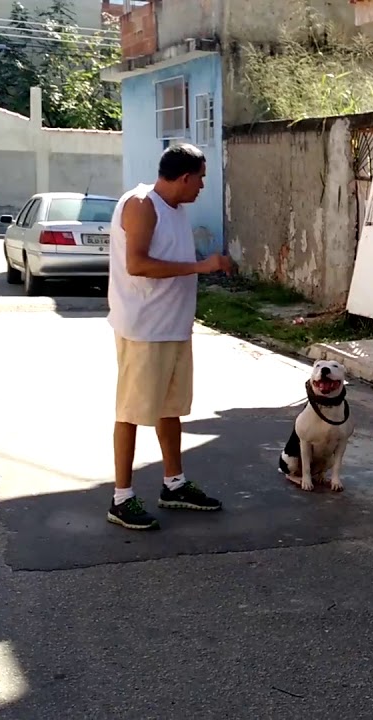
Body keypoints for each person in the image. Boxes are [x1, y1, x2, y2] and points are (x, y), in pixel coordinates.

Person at [106, 143, 234, 530]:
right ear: (184, 177)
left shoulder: (177, 210)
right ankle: (121, 497)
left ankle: (173, 483)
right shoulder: (141, 204)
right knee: (130, 412)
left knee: (170, 408)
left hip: (175, 327)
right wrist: (201, 266)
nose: (202, 186)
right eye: (200, 178)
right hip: (144, 329)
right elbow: (138, 263)